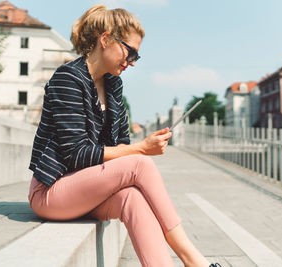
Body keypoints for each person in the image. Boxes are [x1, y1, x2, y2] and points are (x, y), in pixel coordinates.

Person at [27, 4, 221, 267]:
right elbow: (77, 154)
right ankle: (192, 258)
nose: (130, 62)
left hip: (87, 191)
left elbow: (121, 146)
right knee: (140, 163)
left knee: (133, 198)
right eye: (129, 52)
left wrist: (139, 146)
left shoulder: (113, 84)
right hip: (51, 192)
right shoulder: (67, 79)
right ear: (105, 39)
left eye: (136, 58)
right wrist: (143, 149)